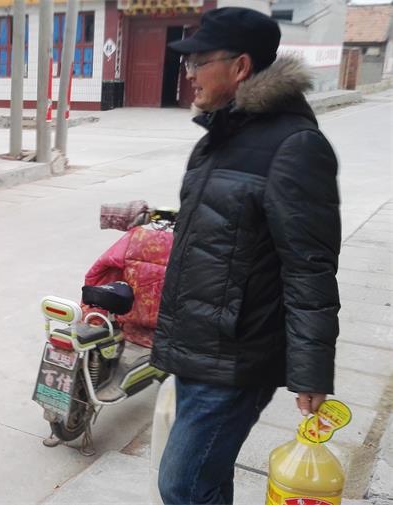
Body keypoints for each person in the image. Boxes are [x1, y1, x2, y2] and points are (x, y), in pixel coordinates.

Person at [151, 7, 341, 504]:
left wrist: (311, 370)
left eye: (199, 63)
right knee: (206, 479)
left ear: (240, 67)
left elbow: (310, 267)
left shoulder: (295, 146)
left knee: (182, 484)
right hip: (198, 345)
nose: (188, 74)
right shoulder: (219, 139)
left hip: (238, 355)